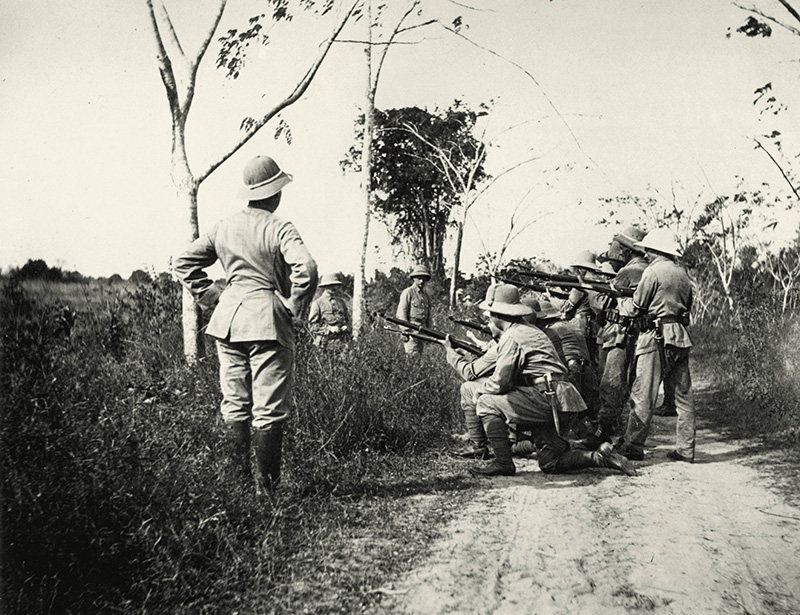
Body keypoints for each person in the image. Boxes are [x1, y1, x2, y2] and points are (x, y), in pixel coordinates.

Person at [174, 155, 318, 492]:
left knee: (234, 405)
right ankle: (266, 493)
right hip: (267, 320)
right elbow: (307, 270)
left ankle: (236, 490)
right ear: (275, 193)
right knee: (268, 410)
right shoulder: (279, 227)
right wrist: (294, 306)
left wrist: (212, 297)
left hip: (228, 322)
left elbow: (183, 262)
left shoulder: (224, 226)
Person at [466, 284, 636, 478]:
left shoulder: (512, 336)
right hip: (564, 399)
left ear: (498, 314)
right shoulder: (531, 330)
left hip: (547, 398)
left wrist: (481, 389)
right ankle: (599, 457)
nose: (489, 318)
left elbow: (500, 383)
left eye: (490, 313)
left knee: (487, 402)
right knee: (550, 462)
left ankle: (503, 463)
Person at [616, 228, 696, 463]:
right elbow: (687, 305)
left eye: (648, 251)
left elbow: (636, 307)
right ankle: (686, 449)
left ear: (654, 250)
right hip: (679, 336)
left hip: (654, 336)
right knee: (684, 397)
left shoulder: (652, 272)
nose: (646, 255)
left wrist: (621, 300)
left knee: (643, 394)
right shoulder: (682, 274)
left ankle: (632, 445)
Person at [586, 226, 649, 447]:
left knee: (610, 384)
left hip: (618, 334)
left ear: (625, 250)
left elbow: (601, 304)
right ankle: (614, 428)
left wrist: (591, 286)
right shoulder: (645, 268)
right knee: (624, 384)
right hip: (631, 334)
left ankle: (603, 432)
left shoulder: (628, 272)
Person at [396, 265, 432, 355]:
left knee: (422, 361)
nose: (422, 281)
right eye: (419, 278)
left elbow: (429, 317)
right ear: (414, 279)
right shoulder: (408, 292)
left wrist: (430, 332)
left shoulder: (426, 296)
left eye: (424, 278)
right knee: (412, 358)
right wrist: (407, 331)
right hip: (411, 332)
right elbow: (401, 314)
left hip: (423, 333)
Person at [308, 273, 351, 347]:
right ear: (325, 286)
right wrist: (329, 329)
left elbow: (348, 320)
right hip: (325, 344)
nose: (334, 287)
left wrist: (346, 326)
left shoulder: (341, 302)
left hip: (342, 343)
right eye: (330, 285)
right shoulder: (318, 303)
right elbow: (312, 326)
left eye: (335, 285)